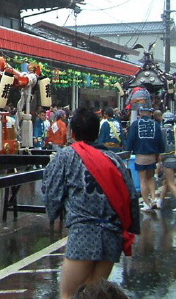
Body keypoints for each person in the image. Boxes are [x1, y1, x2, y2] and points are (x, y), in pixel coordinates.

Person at [42, 107, 139, 299]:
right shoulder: (114, 160)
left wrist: (53, 214)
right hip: (112, 235)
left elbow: (51, 191)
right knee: (95, 294)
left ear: (72, 133)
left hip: (83, 234)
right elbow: (131, 197)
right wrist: (131, 229)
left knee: (69, 294)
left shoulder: (66, 156)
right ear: (97, 132)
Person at [125, 107, 165, 211]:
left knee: (142, 180)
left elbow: (131, 139)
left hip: (140, 155)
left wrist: (127, 151)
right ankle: (154, 199)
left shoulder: (135, 124)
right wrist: (159, 152)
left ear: (141, 113)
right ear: (150, 114)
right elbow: (160, 140)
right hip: (152, 156)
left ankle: (146, 203)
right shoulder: (155, 124)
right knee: (150, 178)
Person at [158, 112, 176, 212]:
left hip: (168, 160)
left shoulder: (161, 131)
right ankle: (160, 201)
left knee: (170, 183)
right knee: (167, 181)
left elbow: (159, 147)